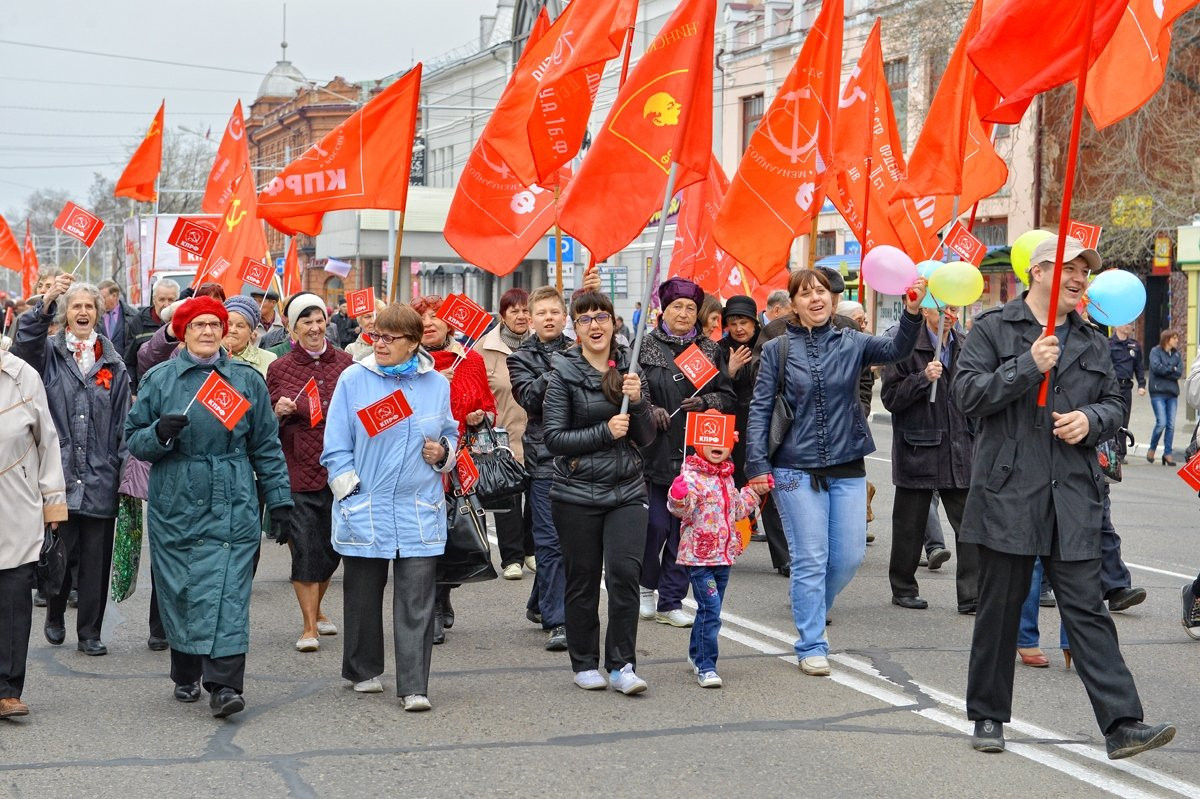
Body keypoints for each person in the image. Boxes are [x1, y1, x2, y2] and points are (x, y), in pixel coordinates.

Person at [954, 235, 1175, 758]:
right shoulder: (992, 329)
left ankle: (1122, 724)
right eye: (1069, 268)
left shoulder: (1093, 339)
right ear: (1037, 272)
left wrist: (1090, 420)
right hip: (1010, 490)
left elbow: (1115, 404)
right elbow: (967, 396)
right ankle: (988, 716)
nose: (1079, 278)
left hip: (1072, 493)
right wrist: (1027, 365)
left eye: (1085, 271)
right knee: (1000, 611)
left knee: (1088, 610)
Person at [745, 268, 926, 677]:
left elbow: (896, 348)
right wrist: (756, 464)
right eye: (805, 293)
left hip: (847, 465)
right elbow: (759, 410)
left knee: (847, 557)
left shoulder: (854, 341)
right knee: (810, 558)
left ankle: (809, 601)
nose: (815, 299)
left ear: (831, 298)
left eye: (821, 292)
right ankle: (811, 642)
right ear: (793, 304)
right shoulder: (778, 350)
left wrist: (912, 313)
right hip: (793, 467)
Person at [125, 296, 293, 718]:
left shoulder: (245, 379)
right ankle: (186, 670)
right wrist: (159, 433)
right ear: (183, 331)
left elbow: (267, 446)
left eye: (214, 325)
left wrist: (280, 501)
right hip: (176, 497)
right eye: (197, 325)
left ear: (225, 332)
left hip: (232, 495)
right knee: (180, 589)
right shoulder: (161, 379)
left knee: (230, 592)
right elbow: (134, 439)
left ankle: (224, 684)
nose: (206, 331)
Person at [321, 302, 458, 710]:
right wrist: (350, 491)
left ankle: (414, 685)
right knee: (363, 593)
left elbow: (451, 434)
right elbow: (336, 445)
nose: (379, 344)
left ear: (414, 343)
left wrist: (444, 453)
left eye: (389, 338)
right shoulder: (353, 379)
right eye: (375, 336)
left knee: (417, 598)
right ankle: (363, 668)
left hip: (419, 504)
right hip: (368, 503)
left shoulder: (436, 383)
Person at [13, 275, 131, 657]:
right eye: (76, 306)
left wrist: (123, 468)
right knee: (59, 555)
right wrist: (44, 303)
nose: (83, 311)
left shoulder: (113, 362)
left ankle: (90, 633)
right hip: (57, 475)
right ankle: (55, 612)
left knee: (95, 562)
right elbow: (24, 343)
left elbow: (124, 422)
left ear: (98, 313)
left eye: (89, 306)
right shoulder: (48, 353)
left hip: (100, 474)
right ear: (66, 315)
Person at [544, 290, 655, 694]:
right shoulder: (563, 373)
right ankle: (585, 661)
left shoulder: (630, 368)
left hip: (626, 490)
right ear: (576, 327)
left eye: (602, 316)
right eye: (586, 318)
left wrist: (639, 402)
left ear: (614, 323)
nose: (595, 324)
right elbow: (554, 438)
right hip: (575, 492)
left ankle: (623, 664)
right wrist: (603, 432)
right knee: (584, 578)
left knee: (625, 574)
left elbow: (645, 438)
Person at [638, 277, 735, 628]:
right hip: (654, 451)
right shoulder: (644, 347)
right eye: (676, 306)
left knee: (685, 532)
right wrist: (649, 410)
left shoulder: (710, 350)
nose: (683, 313)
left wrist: (706, 401)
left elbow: (727, 395)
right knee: (655, 527)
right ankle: (645, 586)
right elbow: (631, 392)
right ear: (664, 309)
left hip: (696, 454)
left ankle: (671, 600)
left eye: (690, 308)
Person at [267, 293, 353, 652]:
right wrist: (279, 410)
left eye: (319, 320)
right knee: (304, 546)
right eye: (306, 321)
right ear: (293, 327)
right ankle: (308, 627)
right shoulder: (279, 368)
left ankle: (317, 610)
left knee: (333, 548)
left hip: (341, 468)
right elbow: (266, 422)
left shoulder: (348, 364)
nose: (315, 327)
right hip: (299, 468)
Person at [880, 302, 979, 613]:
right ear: (925, 311)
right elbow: (890, 398)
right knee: (909, 525)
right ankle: (903, 587)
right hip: (918, 447)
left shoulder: (965, 345)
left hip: (959, 448)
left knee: (970, 527)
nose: (950, 315)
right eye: (942, 309)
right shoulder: (905, 343)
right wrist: (922, 378)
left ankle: (972, 595)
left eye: (954, 308)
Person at [412, 295, 497, 643]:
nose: (430, 323)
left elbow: (487, 409)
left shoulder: (470, 360)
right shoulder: (411, 363)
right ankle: (431, 608)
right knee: (426, 537)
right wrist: (434, 382)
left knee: (456, 534)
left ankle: (444, 593)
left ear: (450, 323)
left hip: (458, 464)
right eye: (422, 319)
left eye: (437, 317)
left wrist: (479, 416)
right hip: (417, 461)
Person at [667, 416, 765, 688]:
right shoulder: (690, 476)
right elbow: (681, 510)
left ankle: (696, 653)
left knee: (710, 609)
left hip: (724, 556)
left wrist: (754, 492)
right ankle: (706, 665)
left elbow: (736, 511)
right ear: (699, 443)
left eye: (723, 441)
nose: (717, 446)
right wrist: (678, 496)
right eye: (712, 440)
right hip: (698, 557)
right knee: (711, 609)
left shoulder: (727, 477)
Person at [0, 347, 67, 719]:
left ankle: (7, 689)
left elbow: (48, 441)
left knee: (12, 599)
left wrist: (53, 503)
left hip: (16, 507)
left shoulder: (22, 375)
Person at [508, 287, 572, 651]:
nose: (549, 318)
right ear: (530, 320)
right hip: (543, 458)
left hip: (581, 455)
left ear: (565, 317)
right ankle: (557, 619)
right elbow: (530, 397)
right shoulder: (521, 356)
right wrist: (563, 367)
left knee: (570, 541)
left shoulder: (580, 349)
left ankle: (539, 601)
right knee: (550, 542)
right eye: (542, 313)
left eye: (555, 312)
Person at [718, 295, 790, 575]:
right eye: (732, 323)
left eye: (743, 322)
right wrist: (730, 371)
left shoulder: (768, 343)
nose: (738, 328)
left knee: (767, 489)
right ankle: (721, 549)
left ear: (754, 321)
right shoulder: (719, 349)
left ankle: (784, 557)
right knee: (728, 489)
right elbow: (710, 388)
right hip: (731, 427)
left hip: (763, 426)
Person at [478, 288, 536, 580]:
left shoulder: (542, 345)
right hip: (502, 435)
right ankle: (511, 558)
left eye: (526, 310)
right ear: (502, 316)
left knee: (538, 495)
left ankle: (531, 549)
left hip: (539, 433)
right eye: (514, 311)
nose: (521, 316)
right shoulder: (484, 348)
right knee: (509, 496)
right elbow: (477, 391)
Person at [130, 279, 180, 384]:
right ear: (154, 300)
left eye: (171, 300)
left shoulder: (183, 323)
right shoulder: (138, 321)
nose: (166, 304)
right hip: (147, 384)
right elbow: (130, 359)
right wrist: (133, 391)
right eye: (162, 299)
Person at [1108, 323, 1145, 463]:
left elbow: (1139, 367)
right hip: (1112, 387)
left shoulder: (1134, 346)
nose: (1129, 326)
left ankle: (1121, 453)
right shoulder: (1108, 344)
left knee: (1124, 420)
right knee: (1111, 418)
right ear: (1117, 326)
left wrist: (1141, 384)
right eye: (1126, 323)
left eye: (1131, 323)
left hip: (1126, 388)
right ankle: (1110, 450)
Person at [1147, 329, 1182, 466]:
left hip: (1172, 393)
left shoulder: (1177, 355)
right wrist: (1171, 369)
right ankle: (1152, 448)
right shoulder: (1155, 352)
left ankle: (1167, 453)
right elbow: (1156, 368)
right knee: (1161, 422)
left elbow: (1178, 373)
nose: (1177, 341)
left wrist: (1169, 369)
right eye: (1175, 338)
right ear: (1167, 339)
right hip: (1158, 392)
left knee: (1171, 425)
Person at [97, 280, 143, 378]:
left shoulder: (133, 316)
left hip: (126, 373)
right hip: (101, 373)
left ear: (115, 296)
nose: (99, 301)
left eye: (103, 297)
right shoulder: (94, 316)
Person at [222, 296, 277, 377]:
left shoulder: (269, 359)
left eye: (240, 326)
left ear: (251, 331)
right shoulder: (208, 356)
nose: (232, 330)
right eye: (229, 324)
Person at [345, 297, 386, 362]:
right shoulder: (351, 349)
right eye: (368, 317)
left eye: (377, 316)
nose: (373, 321)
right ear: (360, 322)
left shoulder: (391, 345)